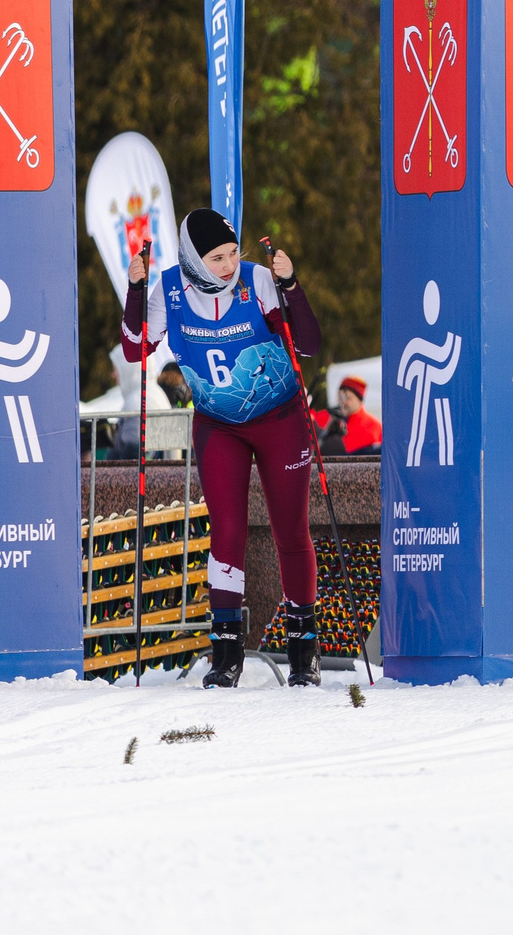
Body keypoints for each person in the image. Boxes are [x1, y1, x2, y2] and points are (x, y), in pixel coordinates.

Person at [126, 209, 325, 688]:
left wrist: (292, 286)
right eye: (216, 258)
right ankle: (226, 650)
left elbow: (311, 344)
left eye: (233, 252)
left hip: (279, 419)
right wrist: (136, 291)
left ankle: (303, 648)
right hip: (220, 425)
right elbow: (136, 349)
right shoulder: (169, 291)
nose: (228, 264)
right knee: (228, 531)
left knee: (290, 530)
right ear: (194, 258)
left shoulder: (257, 281)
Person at [316, 376, 381, 456]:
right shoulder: (324, 417)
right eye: (340, 397)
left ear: (359, 400)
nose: (343, 403)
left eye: (348, 398)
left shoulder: (375, 427)